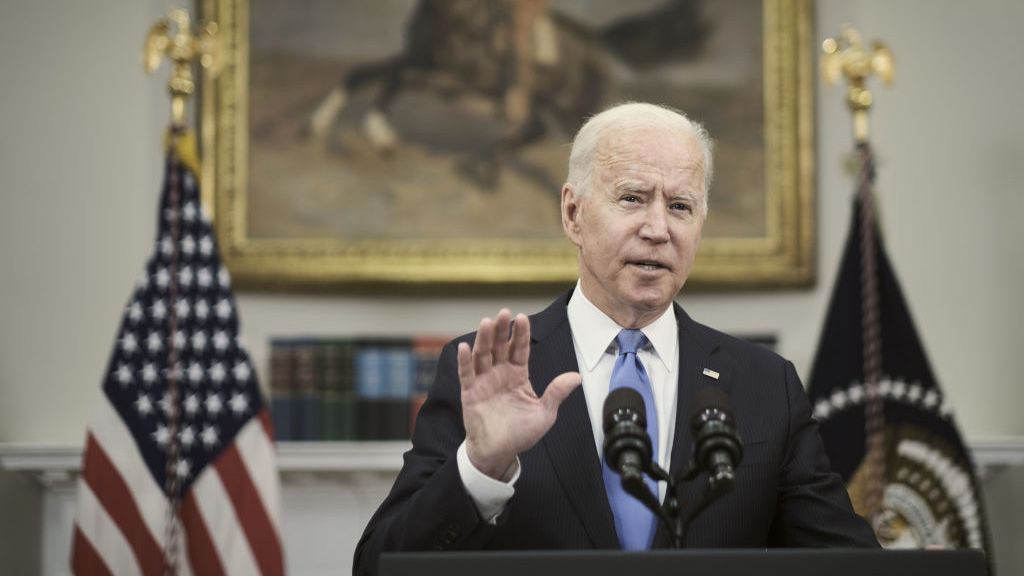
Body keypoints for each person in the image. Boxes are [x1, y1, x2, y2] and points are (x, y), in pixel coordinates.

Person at [353, 102, 878, 575]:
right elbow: (380, 566)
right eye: (632, 198)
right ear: (573, 213)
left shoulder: (764, 384)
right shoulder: (488, 371)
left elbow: (844, 561)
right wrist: (482, 467)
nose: (657, 229)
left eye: (680, 206)